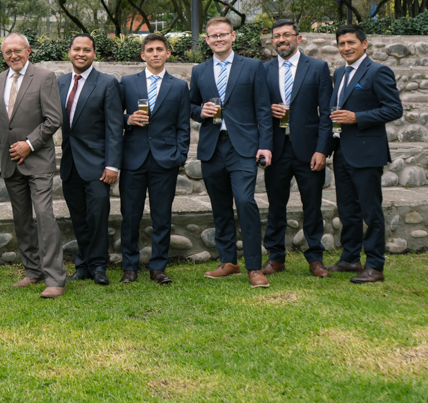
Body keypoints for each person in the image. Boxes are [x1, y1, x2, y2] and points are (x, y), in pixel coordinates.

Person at [0, 33, 67, 298]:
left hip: (37, 160)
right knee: (22, 219)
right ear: (2, 55)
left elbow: (53, 119)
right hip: (11, 162)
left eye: (18, 50)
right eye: (8, 52)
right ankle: (33, 271)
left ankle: (55, 278)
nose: (13, 55)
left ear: (29, 50)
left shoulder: (45, 77)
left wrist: (29, 144)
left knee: (44, 216)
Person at [190, 16, 273, 289]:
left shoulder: (253, 67)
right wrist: (200, 111)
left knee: (245, 201)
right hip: (212, 147)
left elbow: (263, 109)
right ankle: (228, 262)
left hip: (244, 147)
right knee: (220, 206)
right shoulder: (199, 71)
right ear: (207, 40)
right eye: (213, 35)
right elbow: (191, 106)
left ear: (233, 36)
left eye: (223, 34)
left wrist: (265, 144)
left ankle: (254, 267)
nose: (219, 39)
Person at [329, 24, 403, 283]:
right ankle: (350, 258)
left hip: (367, 153)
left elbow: (394, 109)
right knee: (347, 210)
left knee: (371, 211)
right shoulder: (340, 73)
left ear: (364, 44)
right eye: (342, 44)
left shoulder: (378, 71)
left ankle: (374, 265)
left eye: (351, 42)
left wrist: (357, 117)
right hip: (342, 153)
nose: (346, 47)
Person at [262, 19, 334, 278]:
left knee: (312, 205)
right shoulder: (264, 70)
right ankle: (276, 257)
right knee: (275, 206)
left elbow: (327, 112)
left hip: (309, 150)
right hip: (277, 149)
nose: (281, 39)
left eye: (287, 35)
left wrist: (322, 149)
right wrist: (268, 108)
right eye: (276, 36)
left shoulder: (317, 67)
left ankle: (315, 258)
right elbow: (256, 108)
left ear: (298, 38)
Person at [118, 33, 189, 285]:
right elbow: (113, 115)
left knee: (162, 216)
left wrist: (180, 155)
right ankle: (129, 267)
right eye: (150, 50)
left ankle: (158, 267)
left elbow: (183, 125)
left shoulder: (179, 86)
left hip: (165, 160)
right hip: (133, 159)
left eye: (160, 49)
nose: (155, 53)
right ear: (143, 55)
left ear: (168, 53)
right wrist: (128, 118)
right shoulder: (127, 82)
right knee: (130, 215)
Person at [58, 33, 124, 286]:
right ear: (69, 52)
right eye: (77, 49)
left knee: (97, 218)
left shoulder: (107, 83)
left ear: (94, 54)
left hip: (97, 164)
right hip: (70, 163)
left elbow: (114, 126)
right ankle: (83, 265)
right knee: (78, 218)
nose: (81, 54)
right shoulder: (60, 83)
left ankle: (98, 267)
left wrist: (112, 164)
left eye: (87, 50)